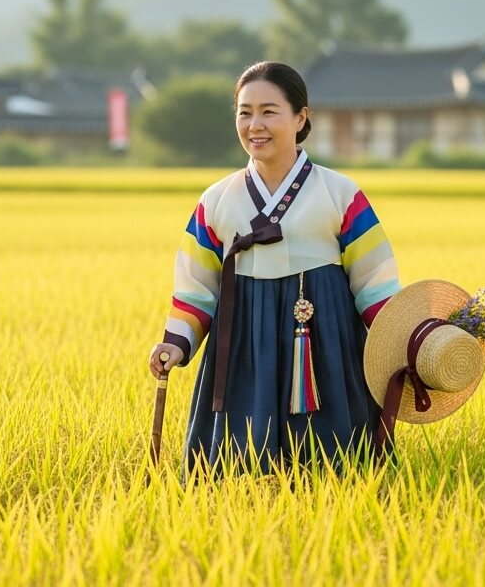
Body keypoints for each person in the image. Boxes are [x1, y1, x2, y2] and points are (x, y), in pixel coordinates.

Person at [147, 61, 400, 472]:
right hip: (245, 336)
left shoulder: (341, 192)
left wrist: (403, 341)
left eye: (269, 111)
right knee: (239, 463)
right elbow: (197, 286)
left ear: (300, 118)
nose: (254, 125)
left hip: (325, 342)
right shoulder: (216, 200)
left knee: (333, 463)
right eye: (244, 112)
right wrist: (176, 343)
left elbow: (374, 280)